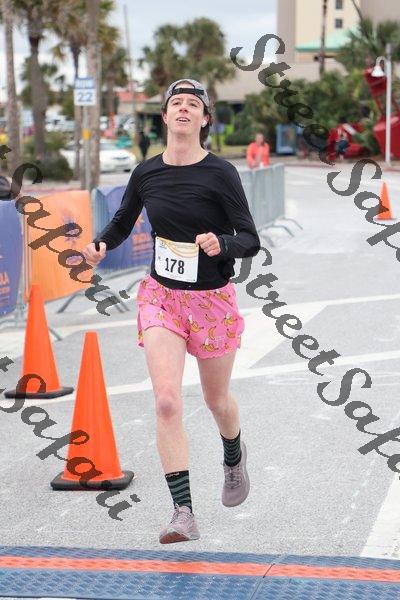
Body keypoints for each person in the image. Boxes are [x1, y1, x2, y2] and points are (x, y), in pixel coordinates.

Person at [82, 78, 260, 545]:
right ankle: (183, 512)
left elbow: (250, 238)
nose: (183, 108)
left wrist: (222, 243)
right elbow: (122, 222)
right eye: (175, 103)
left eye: (193, 104)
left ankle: (233, 453)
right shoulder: (146, 172)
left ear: (204, 119)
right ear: (164, 116)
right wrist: (100, 244)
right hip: (161, 296)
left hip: (212, 301)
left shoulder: (221, 173)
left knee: (217, 401)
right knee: (166, 400)